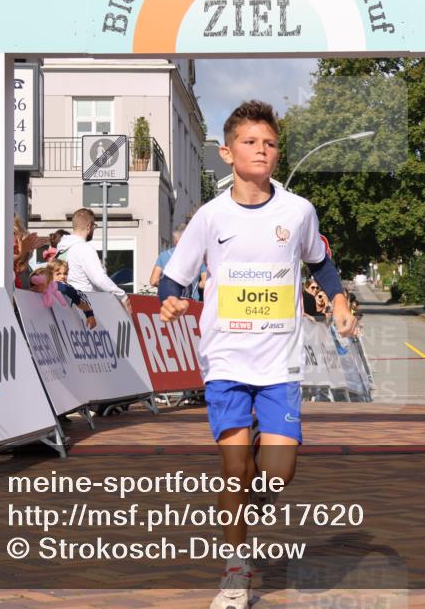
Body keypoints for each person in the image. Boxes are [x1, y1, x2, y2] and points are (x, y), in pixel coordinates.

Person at [156, 100, 357, 609]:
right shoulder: (210, 215)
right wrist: (172, 302)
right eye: (250, 142)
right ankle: (235, 572)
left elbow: (322, 265)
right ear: (227, 152)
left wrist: (338, 303)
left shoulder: (298, 211)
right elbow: (174, 280)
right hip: (225, 357)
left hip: (279, 362)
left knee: (276, 471)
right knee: (233, 464)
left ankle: (247, 501)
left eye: (269, 143)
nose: (261, 150)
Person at [55, 207, 132, 313]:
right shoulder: (84, 248)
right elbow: (99, 279)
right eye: (94, 226)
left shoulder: (61, 249)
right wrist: (122, 296)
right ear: (89, 226)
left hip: (65, 304)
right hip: (84, 305)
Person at [150, 223, 207, 299]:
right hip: (191, 304)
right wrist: (196, 284)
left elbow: (153, 281)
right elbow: (205, 282)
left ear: (175, 240)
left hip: (168, 302)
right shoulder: (198, 257)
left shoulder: (164, 256)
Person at [29, 265, 97, 329]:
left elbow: (75, 296)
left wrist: (89, 314)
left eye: (46, 282)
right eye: (38, 282)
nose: (42, 286)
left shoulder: (57, 286)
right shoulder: (25, 292)